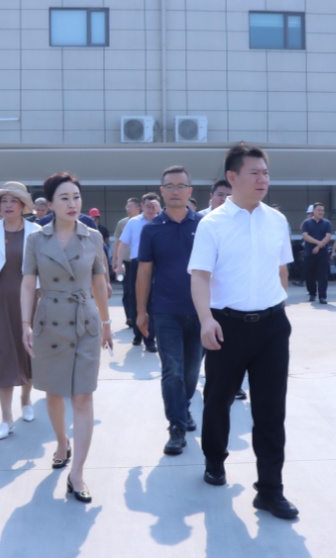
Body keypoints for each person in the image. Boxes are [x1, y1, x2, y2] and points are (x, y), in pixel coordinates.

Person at [188, 144, 298, 519]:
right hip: (226, 325)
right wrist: (206, 319)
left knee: (271, 409)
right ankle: (214, 459)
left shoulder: (276, 221)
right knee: (218, 400)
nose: (262, 179)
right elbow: (200, 276)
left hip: (271, 327)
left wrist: (279, 309)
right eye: (254, 172)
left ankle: (270, 489)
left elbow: (282, 270)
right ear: (232, 177)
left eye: (265, 172)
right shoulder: (212, 224)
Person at [20, 172, 113, 504]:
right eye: (65, 198)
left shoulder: (92, 237)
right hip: (50, 321)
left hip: (85, 322)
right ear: (50, 204)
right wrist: (25, 323)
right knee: (55, 394)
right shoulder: (36, 239)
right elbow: (28, 283)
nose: (73, 204)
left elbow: (99, 281)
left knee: (83, 397)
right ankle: (62, 442)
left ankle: (77, 474)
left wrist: (106, 321)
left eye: (76, 197)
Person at [135, 166, 202, 455]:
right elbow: (144, 272)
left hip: (201, 311)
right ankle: (176, 427)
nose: (176, 191)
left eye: (181, 186)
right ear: (162, 191)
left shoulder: (205, 225)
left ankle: (183, 408)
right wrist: (141, 311)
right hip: (165, 312)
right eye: (170, 186)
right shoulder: (152, 229)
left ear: (190, 191)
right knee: (172, 370)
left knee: (191, 372)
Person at [0, 182, 41, 440]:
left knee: (28, 351)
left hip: (30, 297)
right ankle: (6, 418)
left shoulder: (36, 232)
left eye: (14, 201)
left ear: (23, 205)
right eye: (4, 201)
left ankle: (26, 399)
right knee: (2, 352)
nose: (8, 205)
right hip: (0, 297)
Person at [116, 192, 161, 352]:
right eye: (147, 206)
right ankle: (137, 333)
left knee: (153, 302)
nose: (150, 210)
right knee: (135, 300)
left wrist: (160, 213)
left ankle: (150, 338)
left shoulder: (162, 221)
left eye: (153, 206)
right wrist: (119, 264)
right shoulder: (133, 222)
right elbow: (123, 244)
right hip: (137, 264)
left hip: (157, 265)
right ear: (142, 206)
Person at [112, 197, 141, 326]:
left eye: (130, 206)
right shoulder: (122, 223)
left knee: (140, 290)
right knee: (128, 290)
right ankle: (130, 316)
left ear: (138, 208)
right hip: (126, 263)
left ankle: (139, 315)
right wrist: (115, 261)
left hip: (141, 263)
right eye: (126, 207)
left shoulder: (144, 222)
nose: (127, 209)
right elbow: (117, 243)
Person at [301, 203, 332, 304]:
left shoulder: (327, 223)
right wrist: (318, 243)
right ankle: (312, 293)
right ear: (313, 211)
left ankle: (322, 296)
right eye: (319, 210)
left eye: (322, 210)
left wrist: (319, 246)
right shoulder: (307, 222)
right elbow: (305, 236)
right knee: (309, 275)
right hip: (309, 253)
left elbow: (328, 236)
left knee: (323, 275)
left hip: (323, 253)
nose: (321, 212)